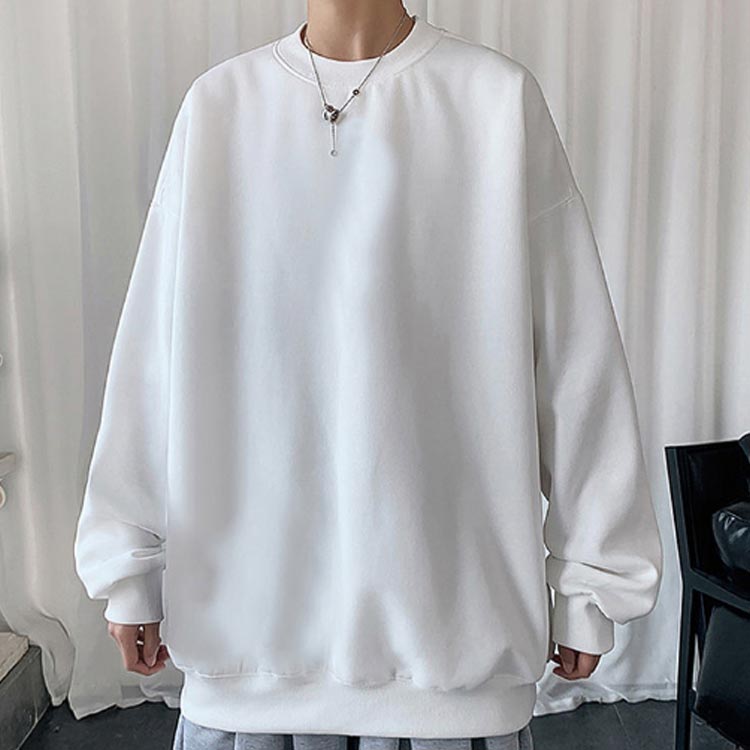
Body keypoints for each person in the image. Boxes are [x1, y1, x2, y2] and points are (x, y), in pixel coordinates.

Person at [74, 2, 664, 749]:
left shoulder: (495, 100)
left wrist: (590, 579)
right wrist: (128, 562)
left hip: (452, 668)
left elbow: (577, 358)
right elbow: (151, 355)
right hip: (248, 659)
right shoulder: (219, 106)